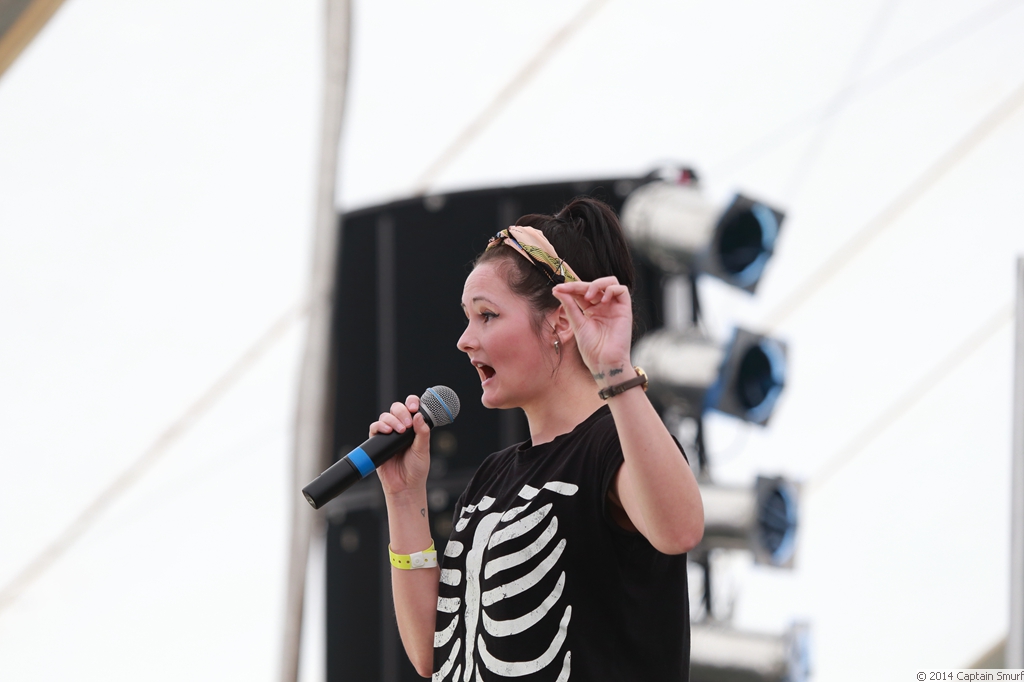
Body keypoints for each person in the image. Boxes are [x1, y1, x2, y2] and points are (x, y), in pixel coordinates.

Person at [369, 197, 704, 681]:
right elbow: (431, 654)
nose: (464, 340)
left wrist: (613, 368)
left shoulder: (612, 446)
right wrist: (403, 498)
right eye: (467, 318)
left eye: (487, 315)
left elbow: (680, 531)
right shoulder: (490, 478)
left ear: (560, 322)